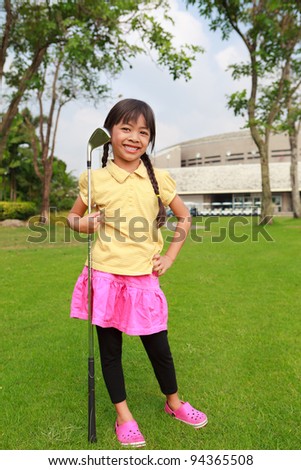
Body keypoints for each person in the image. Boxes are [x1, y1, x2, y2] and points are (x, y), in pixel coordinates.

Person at [68, 98, 207, 447]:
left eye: (143, 131)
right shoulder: (94, 178)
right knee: (110, 351)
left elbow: (184, 217)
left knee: (158, 346)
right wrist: (83, 223)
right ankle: (124, 416)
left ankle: (173, 403)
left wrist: (171, 256)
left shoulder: (158, 178)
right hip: (104, 275)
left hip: (143, 278)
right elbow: (73, 219)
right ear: (110, 133)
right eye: (126, 128)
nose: (134, 137)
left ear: (150, 138)